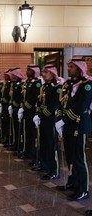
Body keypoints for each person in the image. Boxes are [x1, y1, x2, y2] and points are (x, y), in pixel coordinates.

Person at [55, 58, 92, 201]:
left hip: (79, 124)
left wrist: (64, 120)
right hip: (68, 124)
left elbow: (81, 106)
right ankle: (72, 183)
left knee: (78, 158)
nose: (68, 69)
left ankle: (83, 190)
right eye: (68, 66)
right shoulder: (68, 84)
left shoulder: (87, 85)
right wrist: (59, 120)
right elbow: (61, 103)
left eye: (72, 67)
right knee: (69, 156)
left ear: (79, 69)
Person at [33, 65, 62, 180]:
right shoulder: (44, 86)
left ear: (52, 73)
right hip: (43, 119)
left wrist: (41, 114)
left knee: (51, 145)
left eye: (46, 72)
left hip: (51, 119)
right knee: (43, 142)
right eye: (43, 72)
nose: (43, 74)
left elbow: (54, 105)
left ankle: (54, 170)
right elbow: (39, 102)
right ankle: (44, 165)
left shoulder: (57, 87)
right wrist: (37, 113)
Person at [17, 65, 42, 161]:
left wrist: (24, 107)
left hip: (31, 111)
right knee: (26, 132)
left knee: (32, 134)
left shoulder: (37, 83)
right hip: (25, 111)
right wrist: (21, 107)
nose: (27, 72)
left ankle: (31, 153)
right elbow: (22, 95)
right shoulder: (27, 82)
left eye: (29, 70)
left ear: (34, 71)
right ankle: (25, 150)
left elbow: (33, 97)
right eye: (27, 70)